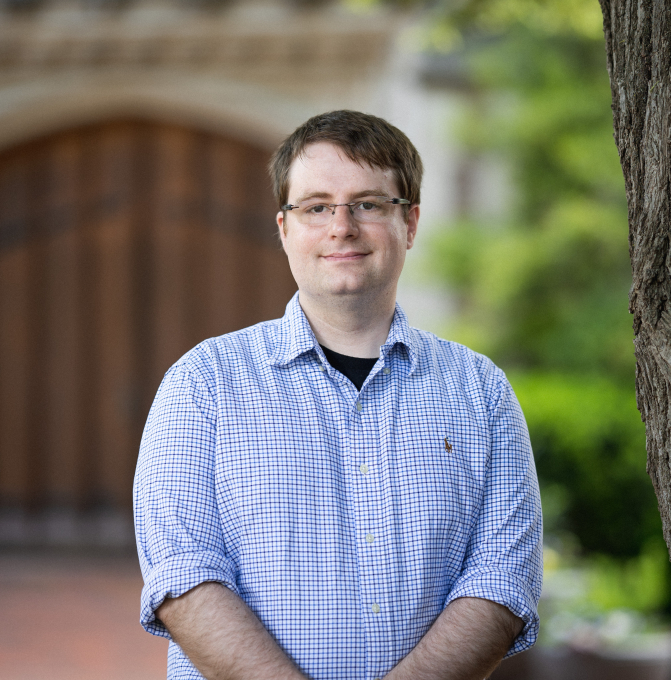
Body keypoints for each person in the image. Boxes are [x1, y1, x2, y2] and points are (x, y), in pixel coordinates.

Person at [134, 110, 542, 680]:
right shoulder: (202, 385)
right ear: (284, 228)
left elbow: (502, 580)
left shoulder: (480, 391)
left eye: (369, 204)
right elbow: (182, 577)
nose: (341, 226)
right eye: (317, 206)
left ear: (412, 223)